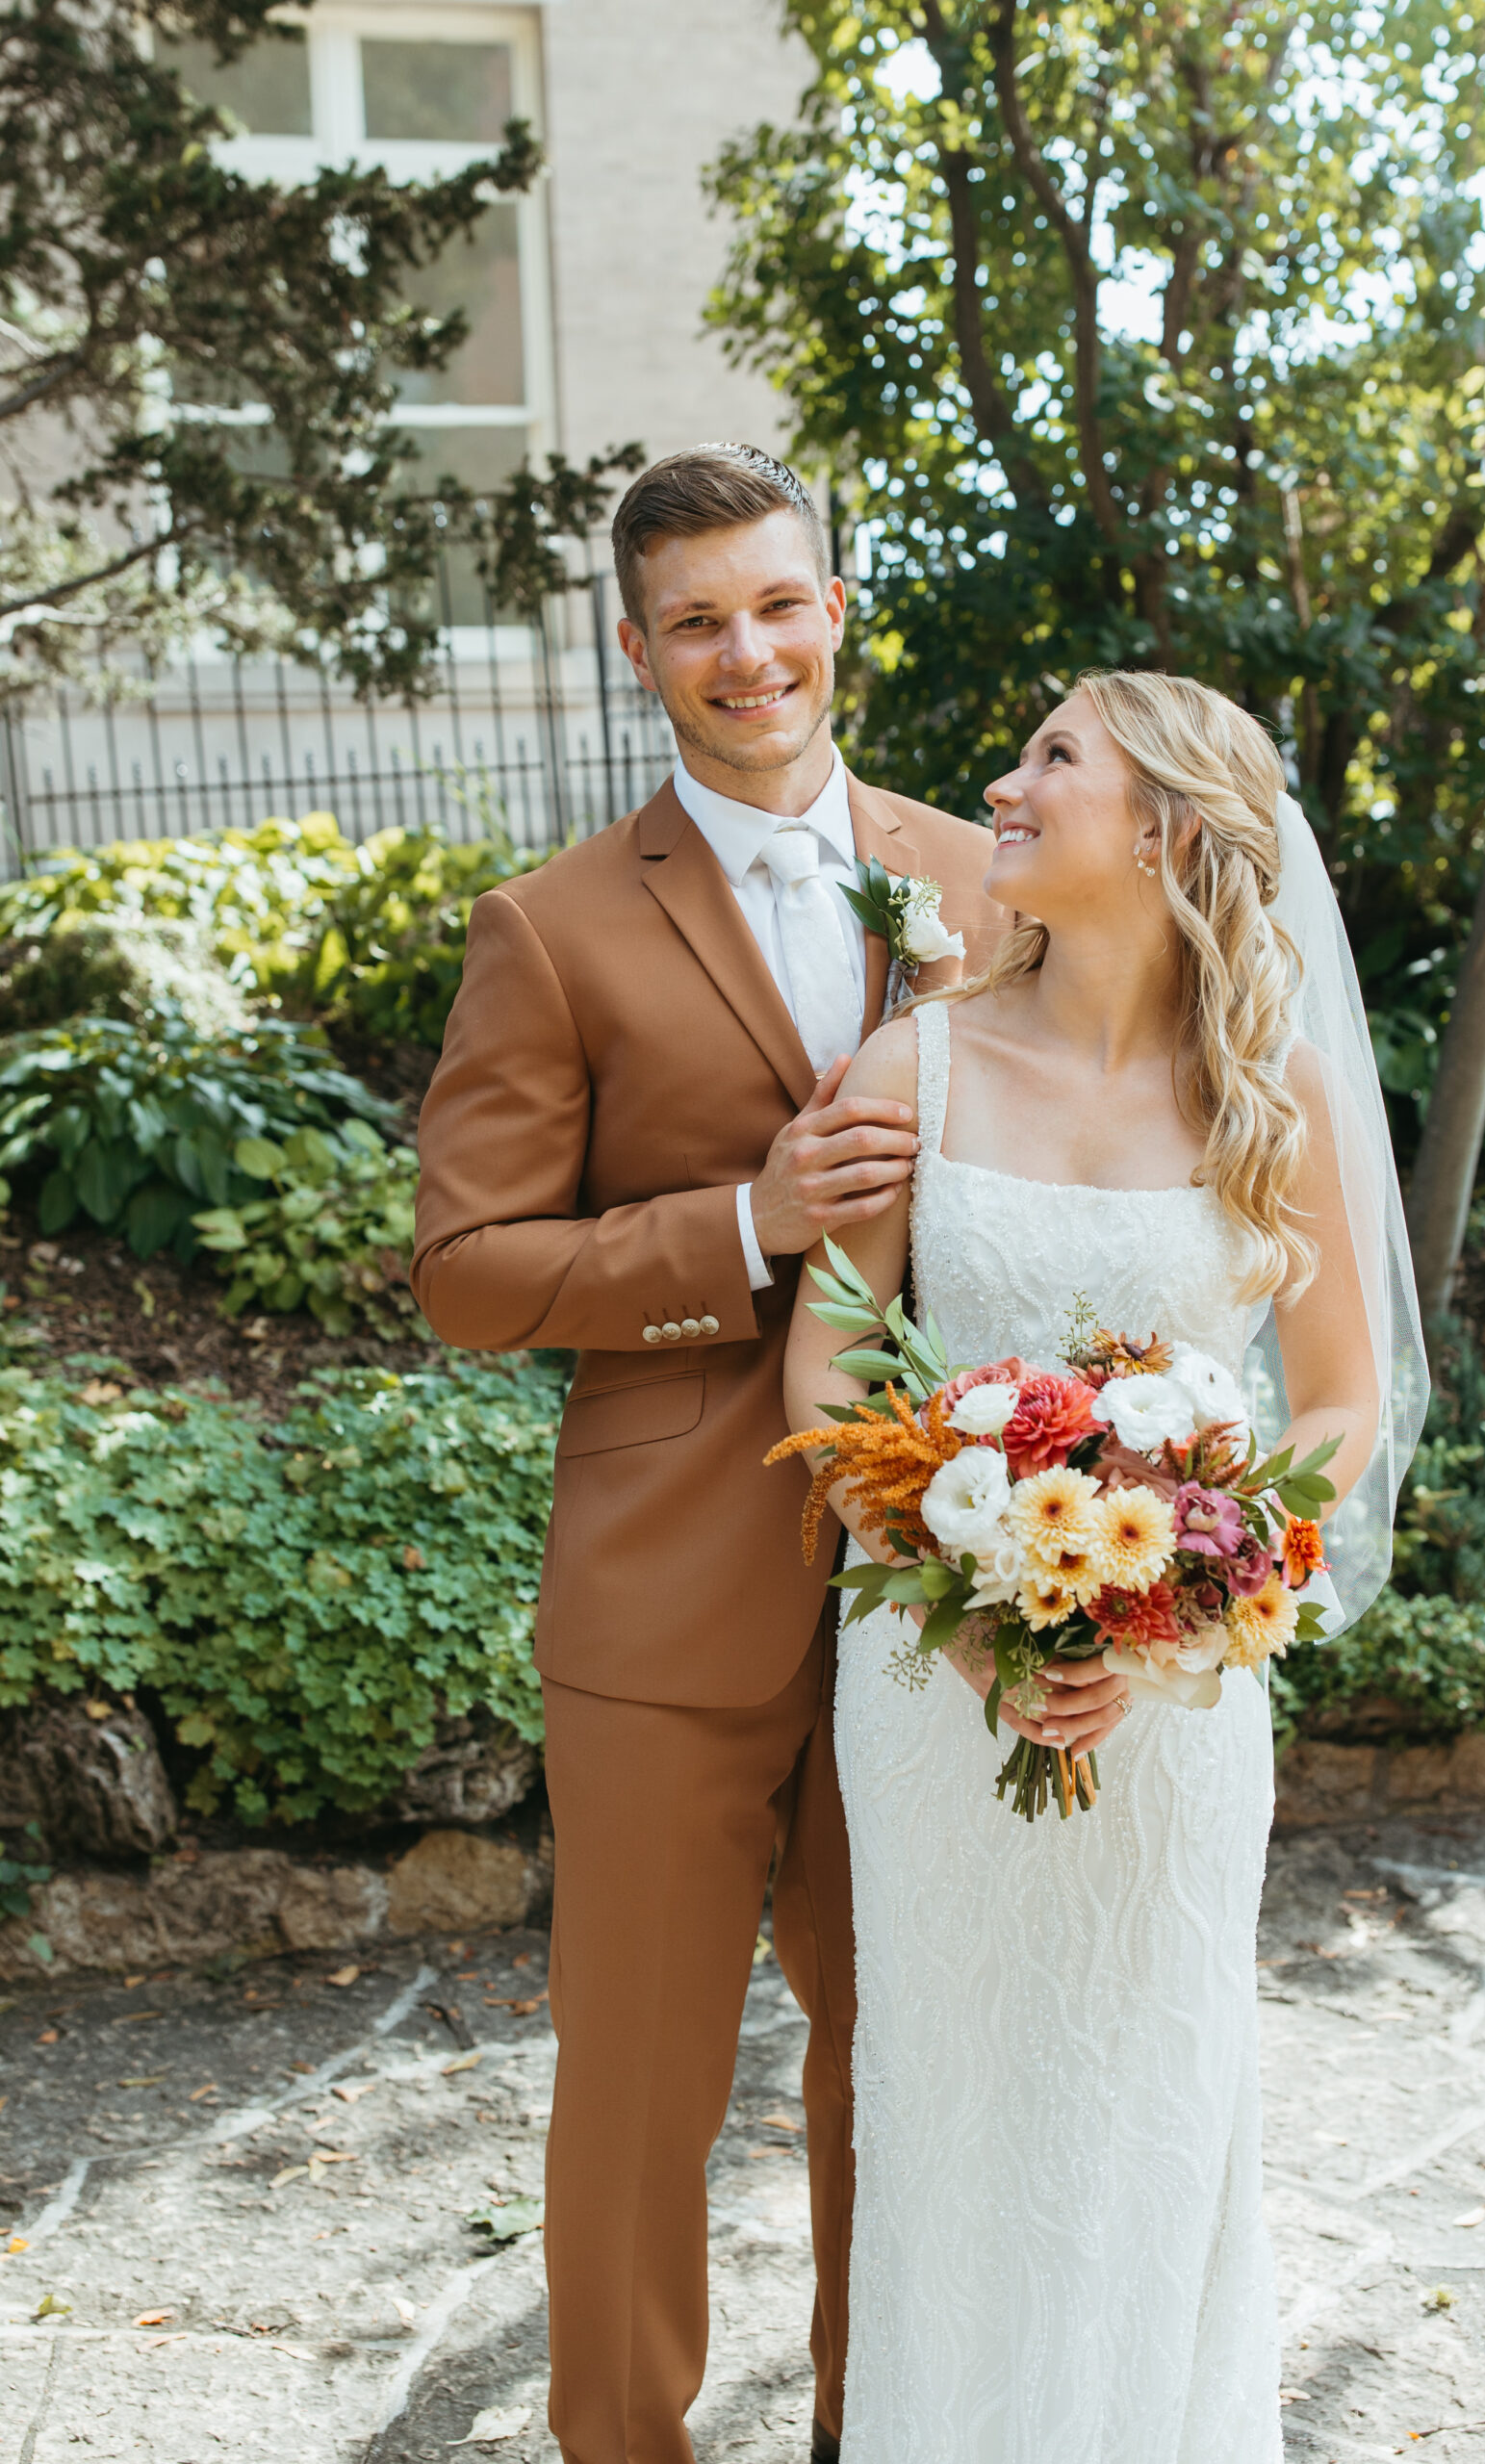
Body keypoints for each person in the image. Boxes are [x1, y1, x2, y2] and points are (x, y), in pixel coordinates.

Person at [411, 443, 1007, 2464]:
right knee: (643, 2095)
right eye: (695, 621)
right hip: (669, 1593)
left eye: (776, 602)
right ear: (636, 645)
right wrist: (742, 1224)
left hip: (955, 1572)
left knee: (904, 2074)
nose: (745, 653)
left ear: (838, 601)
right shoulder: (551, 927)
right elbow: (470, 1271)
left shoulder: (988, 877)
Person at [782, 670, 1426, 2463]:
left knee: (1152, 2105)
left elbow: (1339, 1406)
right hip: (931, 1689)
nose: (1000, 782)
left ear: (1159, 827)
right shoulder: (911, 1064)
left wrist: (1176, 1616)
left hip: (1176, 1701)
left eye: (1050, 758)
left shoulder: (1260, 1087)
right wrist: (967, 1618)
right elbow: (828, 1379)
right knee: (954, 2115)